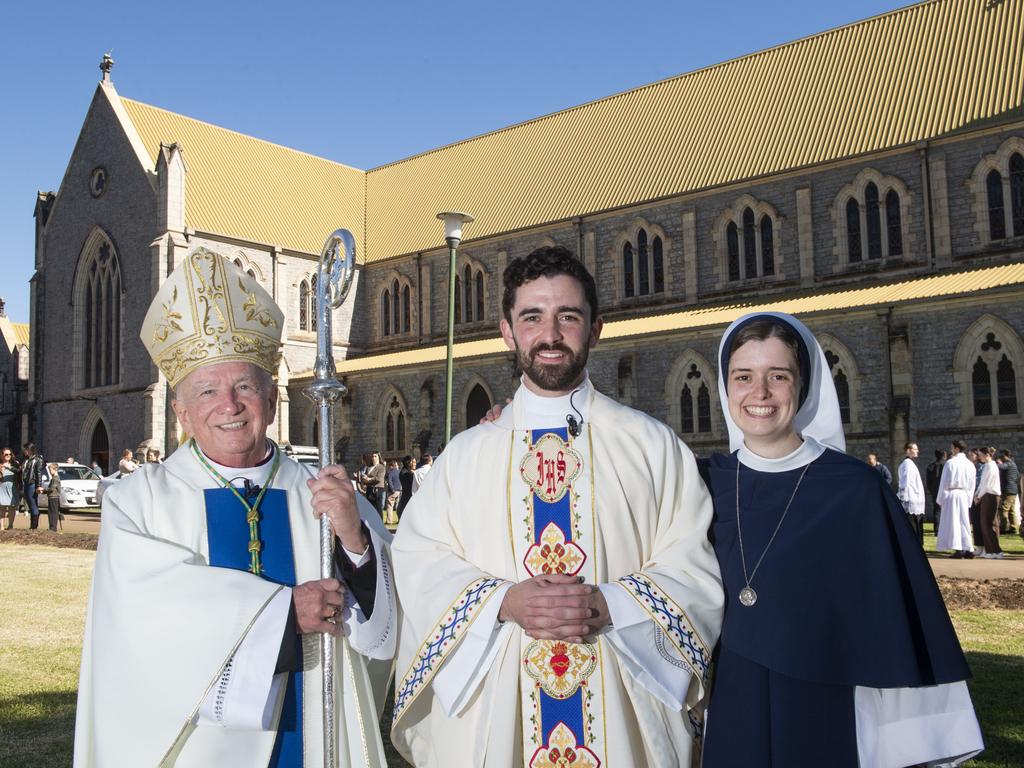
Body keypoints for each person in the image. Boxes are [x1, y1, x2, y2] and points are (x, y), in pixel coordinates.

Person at [390, 246, 723, 767]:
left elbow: (693, 569)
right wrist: (502, 602)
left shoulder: (650, 445)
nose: (550, 334)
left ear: (595, 330)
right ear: (507, 331)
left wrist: (610, 605)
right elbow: (417, 560)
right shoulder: (466, 455)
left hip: (620, 692)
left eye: (568, 316)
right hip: (497, 705)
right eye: (532, 318)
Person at [74, 249, 397, 767]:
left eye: (245, 386)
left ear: (271, 401)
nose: (229, 405)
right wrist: (283, 614)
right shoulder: (138, 503)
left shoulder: (327, 491)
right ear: (180, 410)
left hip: (312, 721)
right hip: (197, 743)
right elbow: (143, 620)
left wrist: (356, 540)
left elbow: (382, 629)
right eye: (207, 391)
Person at [700, 312, 982, 767]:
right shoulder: (702, 483)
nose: (760, 393)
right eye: (743, 376)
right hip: (727, 697)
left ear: (804, 385)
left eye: (778, 376)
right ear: (725, 386)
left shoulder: (857, 489)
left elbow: (891, 616)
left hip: (826, 699)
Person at [937, 441, 977, 559]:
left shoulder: (950, 463)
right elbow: (972, 484)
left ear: (956, 449)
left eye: (952, 448)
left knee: (954, 521)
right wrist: (969, 498)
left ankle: (959, 549)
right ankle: (968, 548)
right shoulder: (970, 464)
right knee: (964, 521)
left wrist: (941, 499)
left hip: (952, 493)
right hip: (964, 494)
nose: (951, 450)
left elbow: (944, 482)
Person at [974, 447, 1003, 559]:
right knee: (985, 524)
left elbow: (987, 484)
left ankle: (994, 550)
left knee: (987, 524)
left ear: (987, 454)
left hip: (990, 495)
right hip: (987, 495)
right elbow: (982, 483)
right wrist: (977, 493)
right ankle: (992, 550)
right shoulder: (987, 466)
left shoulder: (991, 466)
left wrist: (979, 496)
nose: (979, 457)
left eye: (981, 454)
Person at [897, 441, 926, 545]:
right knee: (913, 528)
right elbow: (906, 482)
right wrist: (903, 498)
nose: (917, 450)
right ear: (908, 451)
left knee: (916, 527)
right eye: (915, 449)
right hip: (911, 500)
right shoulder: (907, 465)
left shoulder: (909, 464)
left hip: (915, 500)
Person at [20, 443, 45, 530]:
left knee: (33, 504)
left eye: (25, 450)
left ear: (29, 450)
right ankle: (32, 525)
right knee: (31, 504)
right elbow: (23, 471)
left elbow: (38, 473)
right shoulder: (27, 460)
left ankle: (34, 526)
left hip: (32, 483)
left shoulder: (37, 459)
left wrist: (38, 486)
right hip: (26, 483)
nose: (24, 452)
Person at [996, 449, 1019, 535]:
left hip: (1008, 490)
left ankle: (1004, 528)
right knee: (1011, 510)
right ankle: (1013, 528)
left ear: (1006, 456)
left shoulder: (1008, 464)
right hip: (1012, 490)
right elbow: (1017, 475)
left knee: (1003, 509)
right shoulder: (1013, 464)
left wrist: (998, 462)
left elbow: (999, 467)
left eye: (1002, 456)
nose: (1001, 458)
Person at [926, 448, 946, 532]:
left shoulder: (931, 466)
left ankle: (937, 529)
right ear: (944, 455)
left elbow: (928, 481)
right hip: (945, 490)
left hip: (935, 491)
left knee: (937, 510)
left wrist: (932, 490)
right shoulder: (946, 465)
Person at [0, 448, 19, 530]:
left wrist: (9, 467)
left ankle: (10, 525)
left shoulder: (15, 464)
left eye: (9, 454)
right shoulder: (0, 465)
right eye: (6, 454)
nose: (8, 456)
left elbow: (19, 472)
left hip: (12, 488)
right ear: (1, 455)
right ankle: (1, 526)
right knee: (2, 508)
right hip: (1, 488)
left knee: (12, 507)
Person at [383, 459, 402, 528]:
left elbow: (389, 481)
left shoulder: (391, 473)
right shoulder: (399, 472)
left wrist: (392, 490)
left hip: (392, 491)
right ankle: (400, 520)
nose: (389, 468)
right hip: (399, 491)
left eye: (389, 466)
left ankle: (389, 521)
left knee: (389, 506)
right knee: (398, 506)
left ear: (391, 466)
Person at [45, 462, 62, 532]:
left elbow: (52, 488)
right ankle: (51, 526)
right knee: (50, 512)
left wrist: (44, 490)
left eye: (50, 470)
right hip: (51, 497)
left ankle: (53, 527)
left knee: (53, 513)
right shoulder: (53, 478)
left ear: (55, 469)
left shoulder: (56, 478)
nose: (49, 471)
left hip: (54, 497)